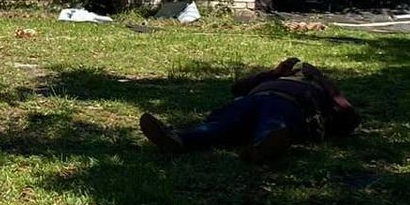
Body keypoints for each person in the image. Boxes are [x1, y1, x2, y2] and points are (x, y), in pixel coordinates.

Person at [139, 56, 359, 165]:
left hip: (289, 105)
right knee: (220, 126)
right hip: (252, 100)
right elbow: (237, 88)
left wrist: (321, 79)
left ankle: (262, 148)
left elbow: (350, 118)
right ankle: (176, 139)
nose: (299, 73)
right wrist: (273, 73)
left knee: (273, 125)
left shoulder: (321, 87)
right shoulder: (272, 78)